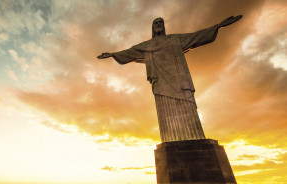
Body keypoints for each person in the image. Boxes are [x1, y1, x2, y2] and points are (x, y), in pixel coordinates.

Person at [98, 16, 242, 142]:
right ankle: (171, 140)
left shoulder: (175, 40)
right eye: (156, 23)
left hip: (179, 82)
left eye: (161, 22)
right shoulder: (147, 45)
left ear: (164, 26)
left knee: (188, 110)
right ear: (153, 28)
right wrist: (113, 54)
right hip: (161, 84)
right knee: (166, 116)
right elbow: (131, 51)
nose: (159, 25)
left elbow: (196, 36)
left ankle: (195, 137)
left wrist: (218, 26)